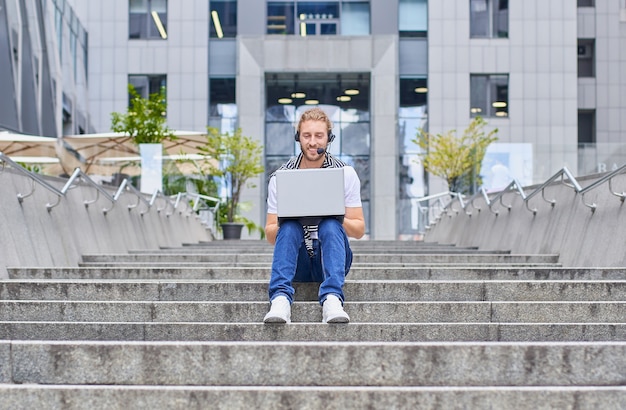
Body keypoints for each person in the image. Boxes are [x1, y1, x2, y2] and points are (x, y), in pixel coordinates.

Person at [263, 107, 366, 324]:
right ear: (297, 138)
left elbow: (358, 229)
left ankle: (332, 298)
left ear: (329, 138)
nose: (312, 142)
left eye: (319, 136)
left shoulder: (345, 174)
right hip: (298, 260)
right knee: (290, 227)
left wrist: (332, 215)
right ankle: (280, 299)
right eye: (306, 135)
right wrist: (291, 218)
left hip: (330, 258)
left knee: (329, 224)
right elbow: (270, 235)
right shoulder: (280, 178)